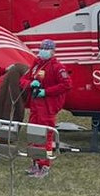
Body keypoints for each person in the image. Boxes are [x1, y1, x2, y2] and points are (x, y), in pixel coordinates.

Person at [22, 39, 72, 178]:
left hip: (48, 107)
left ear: (53, 51)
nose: (43, 51)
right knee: (33, 134)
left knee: (46, 137)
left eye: (46, 49)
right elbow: (23, 80)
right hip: (35, 106)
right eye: (42, 48)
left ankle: (44, 165)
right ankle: (35, 163)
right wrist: (30, 84)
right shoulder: (36, 64)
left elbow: (66, 84)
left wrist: (46, 92)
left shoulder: (57, 67)